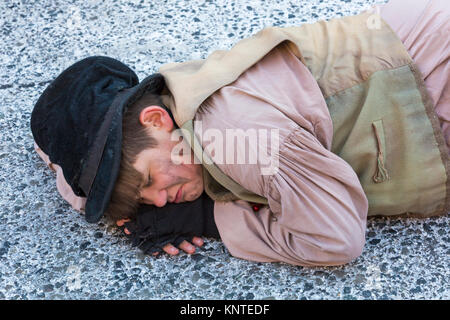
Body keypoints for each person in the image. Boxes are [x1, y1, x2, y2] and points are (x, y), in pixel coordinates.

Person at [31, 0, 449, 267]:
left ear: (156, 120)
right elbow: (65, 159)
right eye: (149, 202)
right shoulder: (171, 109)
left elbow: (335, 239)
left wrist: (211, 218)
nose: (160, 201)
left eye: (150, 182)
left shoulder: (234, 136)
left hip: (431, 77)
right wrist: (123, 194)